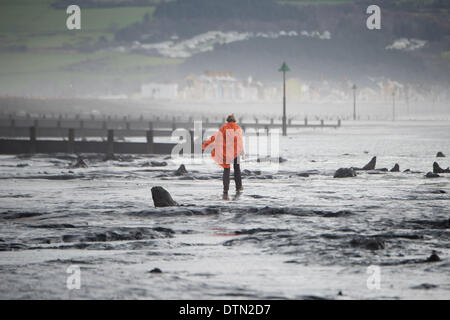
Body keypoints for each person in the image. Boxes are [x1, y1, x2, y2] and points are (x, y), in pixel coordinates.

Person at [202, 114, 244, 195]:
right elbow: (240, 141)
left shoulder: (223, 128)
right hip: (236, 152)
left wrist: (205, 145)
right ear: (234, 120)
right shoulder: (238, 128)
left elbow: (214, 137)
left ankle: (226, 189)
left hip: (227, 152)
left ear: (227, 120)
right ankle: (238, 187)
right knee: (237, 169)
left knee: (226, 169)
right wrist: (242, 151)